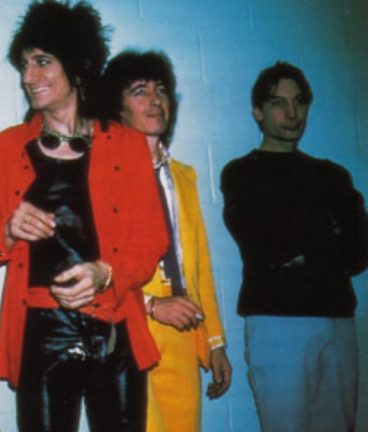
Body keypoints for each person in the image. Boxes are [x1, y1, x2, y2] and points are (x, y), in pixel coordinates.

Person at [0, 2, 169, 431]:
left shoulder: (128, 145)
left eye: (42, 62)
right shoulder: (5, 149)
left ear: (78, 65)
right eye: (24, 65)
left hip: (115, 325)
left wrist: (106, 272)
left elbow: (153, 239)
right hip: (41, 330)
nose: (29, 77)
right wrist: (8, 231)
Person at [221, 61, 367, 432]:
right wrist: (325, 233)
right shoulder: (242, 172)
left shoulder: (333, 174)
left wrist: (305, 243)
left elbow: (357, 253)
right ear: (258, 112)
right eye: (278, 103)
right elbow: (270, 245)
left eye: (299, 102)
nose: (292, 113)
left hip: (338, 318)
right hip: (278, 322)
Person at [98, 50, 232, 432]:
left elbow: (200, 266)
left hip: (183, 332)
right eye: (140, 91)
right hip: (131, 329)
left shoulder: (185, 177)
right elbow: (98, 265)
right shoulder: (104, 173)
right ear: (118, 108)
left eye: (161, 90)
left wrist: (215, 341)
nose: (155, 100)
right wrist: (153, 306)